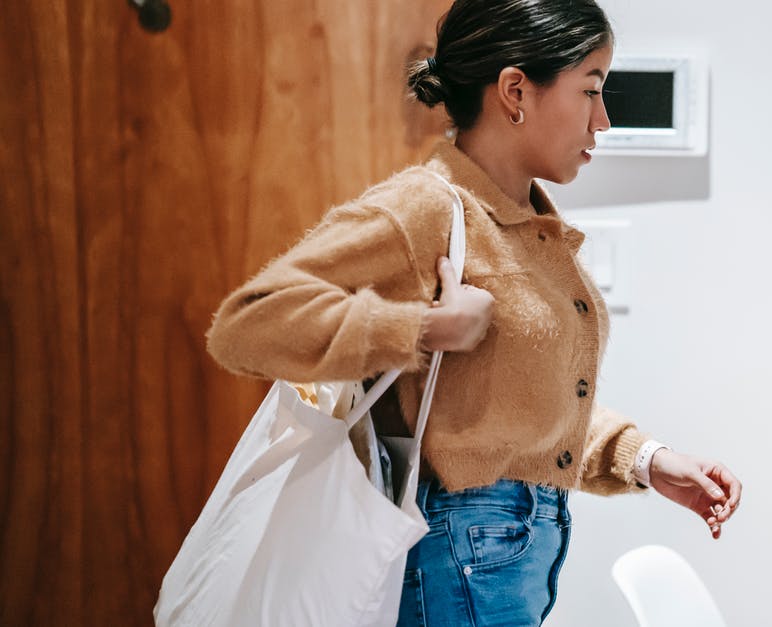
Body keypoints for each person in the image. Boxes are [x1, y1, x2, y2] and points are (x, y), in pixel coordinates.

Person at [205, 0, 742, 624]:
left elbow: (512, 413)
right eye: (591, 90)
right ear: (515, 90)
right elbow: (247, 325)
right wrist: (424, 329)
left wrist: (646, 461)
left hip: (506, 554)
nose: (604, 119)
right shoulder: (424, 209)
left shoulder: (521, 224)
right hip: (460, 553)